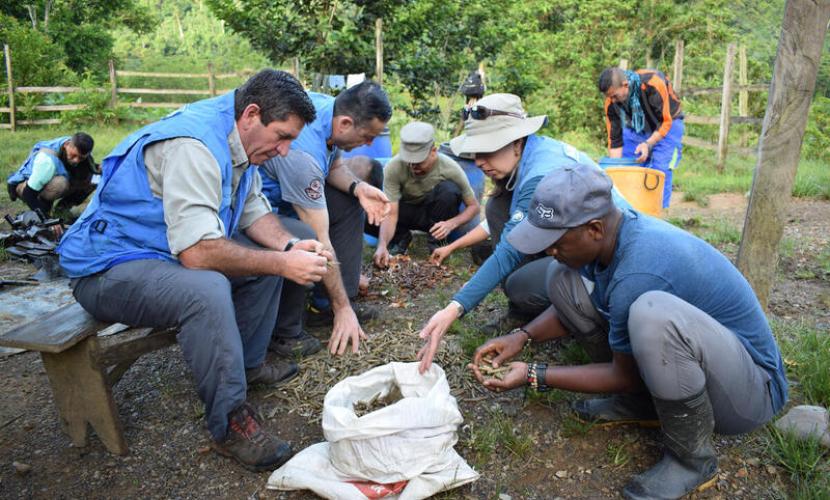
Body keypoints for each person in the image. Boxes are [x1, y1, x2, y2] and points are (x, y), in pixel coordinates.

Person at [57, 69, 328, 472]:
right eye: (283, 137)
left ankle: (247, 365)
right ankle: (229, 420)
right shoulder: (195, 146)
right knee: (205, 288)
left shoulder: (240, 137)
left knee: (288, 234)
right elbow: (197, 254)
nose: (286, 150)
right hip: (106, 269)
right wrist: (282, 262)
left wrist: (289, 248)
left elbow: (253, 210)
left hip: (159, 253)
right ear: (252, 114)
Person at [470, 164, 788, 499]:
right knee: (561, 277)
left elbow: (623, 373)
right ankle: (640, 405)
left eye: (555, 241)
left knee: (653, 316)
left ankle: (692, 460)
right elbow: (579, 299)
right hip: (702, 363)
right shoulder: (612, 236)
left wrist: (534, 374)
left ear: (593, 228)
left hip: (752, 392)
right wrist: (522, 336)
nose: (549, 250)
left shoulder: (639, 267)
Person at [417, 93, 630, 369]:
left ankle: (586, 328)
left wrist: (454, 308)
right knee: (496, 205)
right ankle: (540, 311)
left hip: (609, 262)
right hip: (581, 244)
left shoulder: (539, 176)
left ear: (516, 142)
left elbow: (508, 251)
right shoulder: (534, 152)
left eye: (487, 150)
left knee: (520, 285)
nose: (479, 161)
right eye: (475, 153)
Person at [260, 81, 392, 356]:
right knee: (307, 239)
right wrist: (343, 309)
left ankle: (323, 305)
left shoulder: (328, 110)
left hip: (294, 194)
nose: (370, 144)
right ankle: (285, 332)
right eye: (368, 136)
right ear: (345, 123)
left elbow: (334, 166)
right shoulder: (302, 156)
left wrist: (359, 188)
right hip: (263, 212)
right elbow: (323, 240)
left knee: (348, 201)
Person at [373, 121, 479, 267]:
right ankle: (400, 237)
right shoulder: (394, 166)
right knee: (372, 205)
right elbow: (390, 213)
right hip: (404, 211)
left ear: (433, 152)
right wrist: (382, 244)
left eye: (418, 161)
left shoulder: (449, 167)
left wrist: (450, 224)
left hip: (433, 216)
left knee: (449, 190)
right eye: (409, 161)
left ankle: (436, 243)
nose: (413, 166)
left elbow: (474, 207)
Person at [598, 67, 684, 207]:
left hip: (668, 123)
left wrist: (648, 144)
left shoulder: (653, 83)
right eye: (609, 97)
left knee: (658, 171)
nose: (612, 100)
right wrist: (616, 169)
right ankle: (629, 210)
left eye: (614, 96)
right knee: (627, 167)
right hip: (638, 126)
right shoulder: (611, 102)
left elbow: (665, 121)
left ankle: (657, 215)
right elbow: (615, 139)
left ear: (625, 85)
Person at [7, 132, 98, 215]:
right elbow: (28, 193)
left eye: (81, 158)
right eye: (73, 155)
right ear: (66, 145)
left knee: (95, 179)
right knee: (60, 183)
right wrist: (46, 218)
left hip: (49, 178)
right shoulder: (47, 160)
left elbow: (92, 170)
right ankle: (44, 208)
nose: (76, 160)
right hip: (25, 186)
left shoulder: (80, 149)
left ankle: (62, 209)